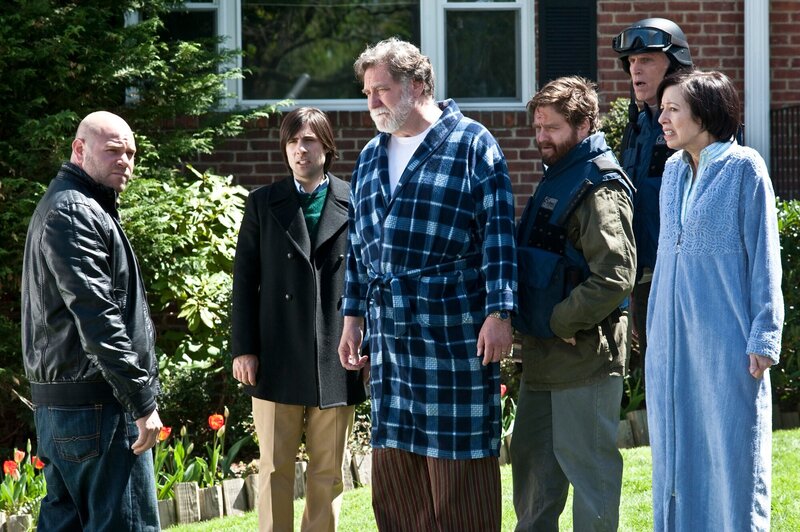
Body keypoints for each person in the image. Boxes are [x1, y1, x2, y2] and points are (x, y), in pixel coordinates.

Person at [337, 38, 517, 531]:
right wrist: (352, 318)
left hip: (453, 330)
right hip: (390, 340)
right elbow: (358, 247)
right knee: (397, 471)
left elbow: (499, 237)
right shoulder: (370, 156)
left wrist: (500, 313)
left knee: (459, 468)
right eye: (367, 92)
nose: (372, 102)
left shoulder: (472, 143)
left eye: (381, 90)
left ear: (417, 85)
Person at [647, 70, 783, 531]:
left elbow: (765, 256)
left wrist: (765, 335)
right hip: (671, 341)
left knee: (731, 452)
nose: (662, 118)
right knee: (675, 452)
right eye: (662, 109)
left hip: (727, 341)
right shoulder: (671, 171)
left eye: (673, 109)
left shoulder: (745, 168)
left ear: (703, 115)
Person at [21, 111, 162, 530]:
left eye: (131, 153)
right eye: (113, 150)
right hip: (98, 408)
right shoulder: (74, 211)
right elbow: (98, 317)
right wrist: (141, 401)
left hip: (71, 408)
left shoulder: (72, 205)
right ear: (79, 149)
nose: (125, 161)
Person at [231, 107, 366, 532]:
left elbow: (370, 277)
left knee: (328, 471)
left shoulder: (355, 200)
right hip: (276, 353)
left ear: (326, 146)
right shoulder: (262, 203)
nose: (300, 149)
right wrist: (244, 349)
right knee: (274, 467)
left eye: (308, 140)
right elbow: (244, 281)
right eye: (292, 141)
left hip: (336, 353)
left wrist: (368, 343)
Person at [511, 76, 636, 531]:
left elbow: (615, 275)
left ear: (584, 125)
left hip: (584, 358)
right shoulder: (560, 175)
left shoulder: (599, 187)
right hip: (543, 360)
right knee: (532, 475)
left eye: (553, 128)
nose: (541, 137)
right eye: (538, 127)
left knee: (591, 480)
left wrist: (560, 321)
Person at [612, 18, 693, 379]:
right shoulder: (638, 124)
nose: (636, 69)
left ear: (674, 65)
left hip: (683, 278)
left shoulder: (695, 123)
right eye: (631, 61)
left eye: (646, 59)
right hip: (646, 278)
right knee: (655, 377)